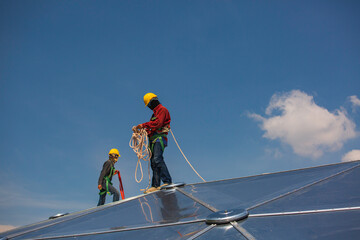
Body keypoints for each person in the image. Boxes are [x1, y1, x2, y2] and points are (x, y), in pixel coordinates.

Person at [134, 93, 172, 193]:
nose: (149, 107)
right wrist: (141, 131)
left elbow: (158, 124)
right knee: (153, 162)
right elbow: (152, 127)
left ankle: (167, 181)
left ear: (152, 102)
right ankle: (155, 185)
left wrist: (143, 125)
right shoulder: (154, 114)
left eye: (149, 105)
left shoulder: (162, 110)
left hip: (160, 139)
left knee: (157, 159)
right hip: (153, 139)